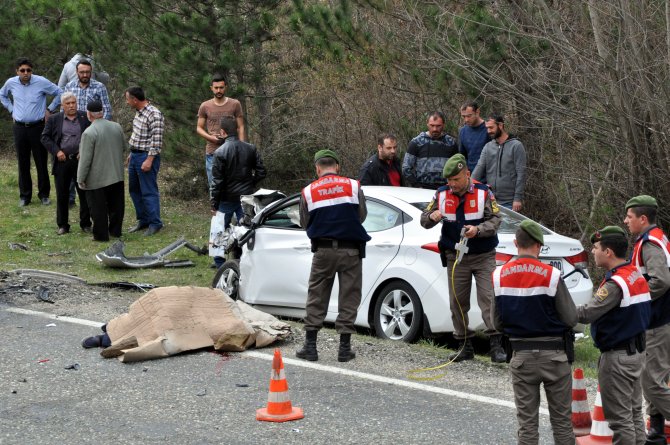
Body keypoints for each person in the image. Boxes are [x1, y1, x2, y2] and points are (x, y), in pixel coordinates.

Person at [491, 220, 577, 445]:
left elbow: (496, 323)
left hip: (521, 357)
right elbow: (570, 318)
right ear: (539, 245)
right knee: (561, 423)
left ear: (515, 243)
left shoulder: (499, 276)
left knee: (527, 424)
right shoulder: (552, 275)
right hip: (555, 357)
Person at [420, 153, 506, 362]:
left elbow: (496, 219)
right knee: (457, 301)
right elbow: (424, 219)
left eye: (456, 179)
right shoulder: (440, 194)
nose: (452, 184)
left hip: (483, 255)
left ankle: (496, 345)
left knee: (488, 299)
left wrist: (477, 230)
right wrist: (432, 217)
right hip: (456, 256)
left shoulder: (483, 192)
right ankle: (463, 345)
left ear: (467, 174)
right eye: (449, 180)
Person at [576, 226, 651, 445]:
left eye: (596, 247)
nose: (593, 251)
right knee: (634, 413)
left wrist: (558, 306)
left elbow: (587, 313)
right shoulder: (634, 273)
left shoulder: (615, 284)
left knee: (620, 421)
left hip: (617, 358)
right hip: (637, 353)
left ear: (608, 252)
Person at [296, 150, 371, 362]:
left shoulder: (308, 191)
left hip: (323, 250)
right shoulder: (353, 186)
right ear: (337, 166)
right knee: (349, 296)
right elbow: (362, 215)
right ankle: (344, 349)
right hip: (351, 250)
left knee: (317, 295)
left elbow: (304, 222)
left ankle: (310, 346)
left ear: (317, 168)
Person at [623, 195, 670, 445]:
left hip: (658, 322)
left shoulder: (650, 243)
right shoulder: (655, 237)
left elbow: (660, 280)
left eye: (629, 217)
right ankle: (657, 432)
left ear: (643, 218)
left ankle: (658, 430)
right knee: (655, 378)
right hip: (659, 320)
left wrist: (636, 297)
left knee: (652, 383)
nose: (625, 221)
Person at [0, 57, 61, 207]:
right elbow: (2, 95)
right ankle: (25, 196)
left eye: (28, 70)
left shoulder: (41, 81)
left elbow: (60, 92)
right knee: (23, 162)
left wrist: (50, 109)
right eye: (22, 70)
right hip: (20, 128)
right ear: (17, 71)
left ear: (31, 71)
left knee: (41, 161)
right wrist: (11, 109)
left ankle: (44, 195)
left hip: (38, 127)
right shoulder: (11, 83)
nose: (26, 73)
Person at [209, 116, 266, 268]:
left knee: (219, 228)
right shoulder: (250, 148)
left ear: (222, 132)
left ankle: (219, 262)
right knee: (247, 229)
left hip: (226, 198)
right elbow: (261, 172)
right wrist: (250, 183)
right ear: (236, 130)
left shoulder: (220, 152)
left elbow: (217, 182)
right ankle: (245, 258)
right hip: (246, 196)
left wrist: (214, 203)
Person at [40, 92, 92, 235]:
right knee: (62, 194)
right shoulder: (54, 119)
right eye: (68, 104)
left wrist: (84, 150)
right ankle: (63, 225)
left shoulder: (84, 117)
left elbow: (92, 135)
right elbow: (45, 137)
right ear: (62, 105)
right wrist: (57, 151)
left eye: (73, 103)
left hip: (80, 161)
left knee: (84, 192)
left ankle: (86, 223)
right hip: (62, 161)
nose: (71, 106)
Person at [77, 101, 126, 242]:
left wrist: (80, 178)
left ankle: (101, 235)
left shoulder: (89, 132)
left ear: (88, 114)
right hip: (117, 174)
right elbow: (124, 147)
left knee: (98, 208)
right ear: (102, 112)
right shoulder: (116, 126)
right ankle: (115, 231)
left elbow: (85, 160)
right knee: (116, 205)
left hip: (97, 178)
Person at [125, 86, 164, 236]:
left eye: (127, 99)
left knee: (148, 191)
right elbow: (138, 135)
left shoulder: (154, 114)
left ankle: (155, 223)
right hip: (135, 155)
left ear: (135, 99)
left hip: (147, 157)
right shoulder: (138, 113)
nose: (127, 102)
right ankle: (143, 220)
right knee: (134, 190)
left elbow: (156, 140)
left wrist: (149, 160)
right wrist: (131, 153)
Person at [197, 73, 245, 186]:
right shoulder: (205, 106)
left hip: (232, 152)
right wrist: (210, 138)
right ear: (211, 88)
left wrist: (242, 147)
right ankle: (215, 205)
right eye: (216, 88)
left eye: (221, 88)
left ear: (225, 87)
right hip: (212, 152)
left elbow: (241, 126)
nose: (219, 90)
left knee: (233, 185)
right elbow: (199, 128)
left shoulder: (235, 104)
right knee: (214, 186)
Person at [472, 113, 526, 212]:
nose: (488, 131)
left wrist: (517, 198)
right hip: (491, 200)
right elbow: (479, 168)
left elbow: (521, 173)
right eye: (487, 128)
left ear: (500, 125)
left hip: (510, 202)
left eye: (491, 128)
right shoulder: (488, 147)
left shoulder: (516, 146)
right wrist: (468, 187)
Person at [402, 111, 458, 189]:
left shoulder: (451, 143)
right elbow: (406, 168)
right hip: (422, 189)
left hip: (445, 188)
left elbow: (457, 168)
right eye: (432, 125)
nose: (435, 129)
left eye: (438, 126)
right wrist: (417, 186)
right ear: (427, 124)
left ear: (443, 125)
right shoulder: (416, 142)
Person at [458, 102, 489, 172]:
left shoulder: (489, 128)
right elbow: (462, 156)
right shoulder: (463, 131)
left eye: (469, 116)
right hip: (470, 176)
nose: (466, 120)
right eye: (463, 116)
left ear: (477, 112)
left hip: (488, 175)